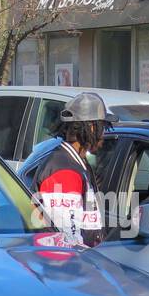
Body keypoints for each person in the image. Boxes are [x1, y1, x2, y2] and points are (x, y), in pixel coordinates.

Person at [31, 91, 114, 248]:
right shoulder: (65, 172)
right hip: (66, 267)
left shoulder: (75, 162)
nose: (104, 134)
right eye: (102, 126)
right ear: (90, 126)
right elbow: (67, 240)